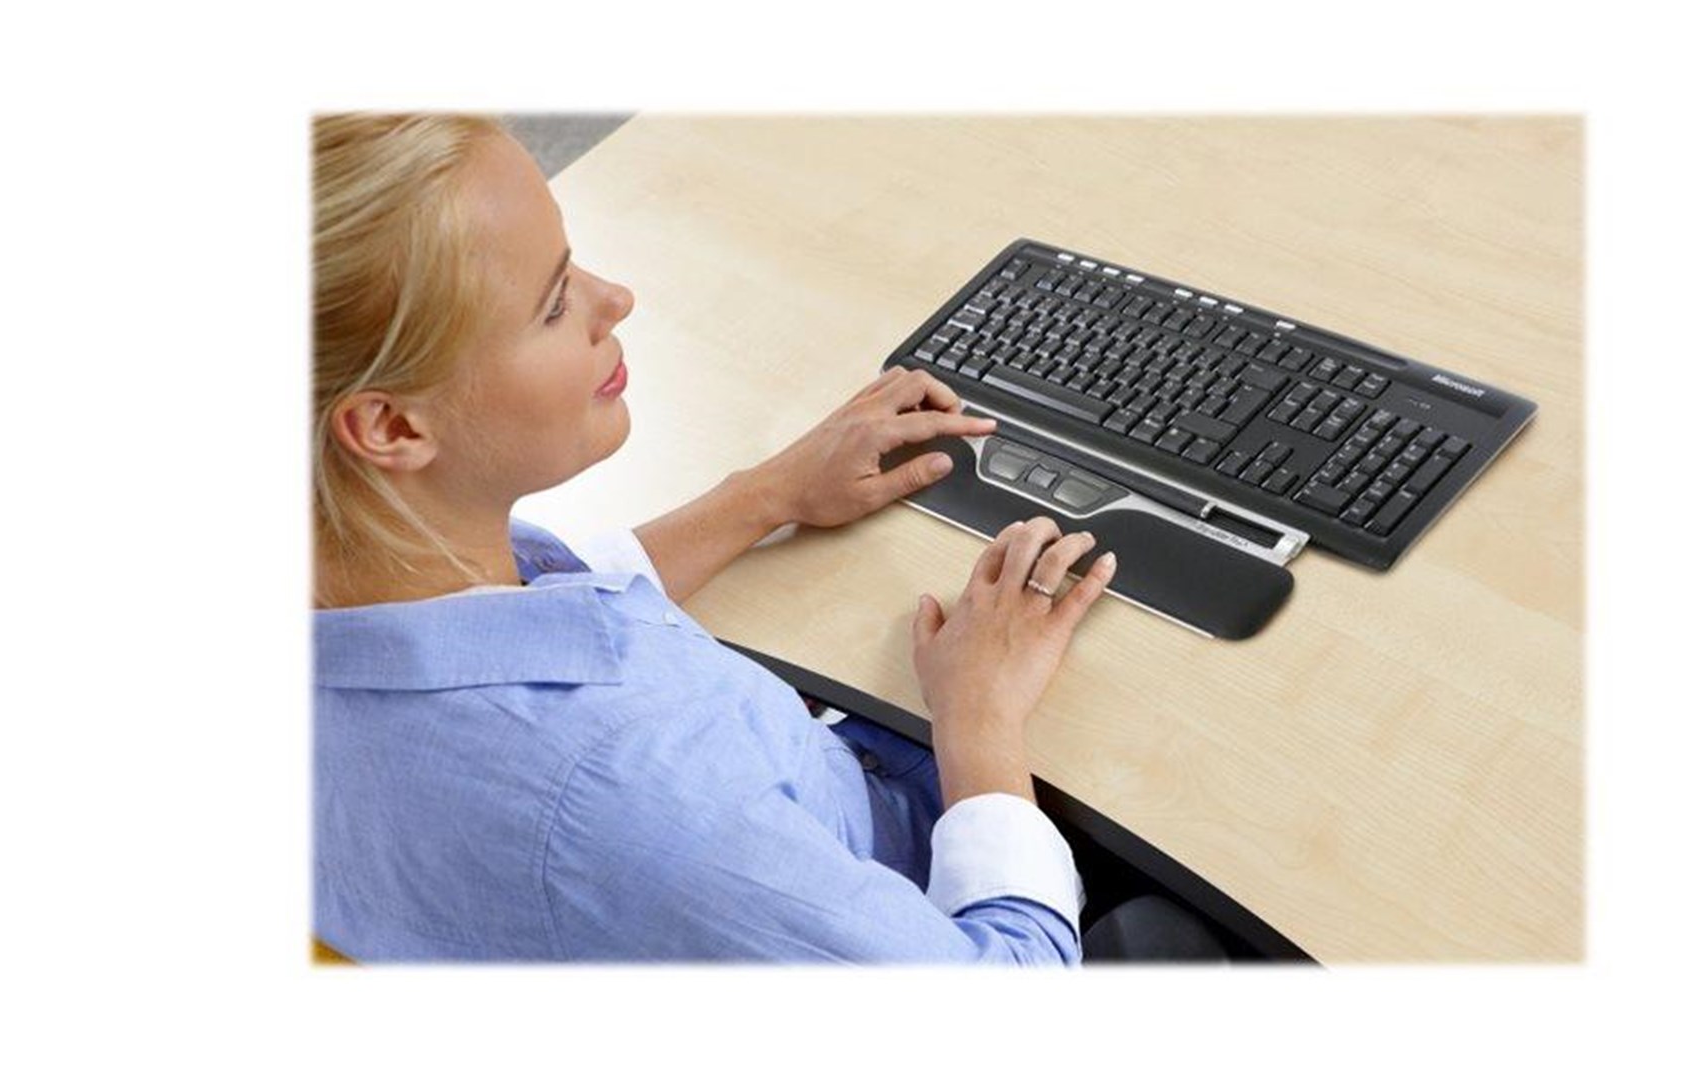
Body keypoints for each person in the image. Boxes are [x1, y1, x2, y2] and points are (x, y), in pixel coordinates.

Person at [312, 114, 1119, 963]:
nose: (613, 298)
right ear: (391, 426)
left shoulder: (363, 559)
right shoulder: (636, 798)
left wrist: (765, 495)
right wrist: (978, 715)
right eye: (552, 305)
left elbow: (529, 613)